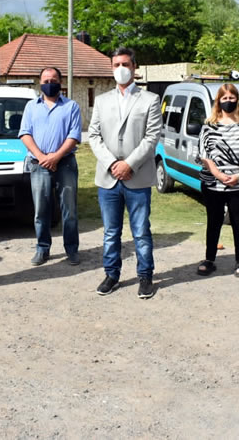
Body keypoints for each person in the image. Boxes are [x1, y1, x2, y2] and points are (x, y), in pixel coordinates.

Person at [88, 47, 162, 299]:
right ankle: (112, 274)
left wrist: (128, 164)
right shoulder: (102, 100)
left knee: (140, 231)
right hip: (108, 178)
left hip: (137, 176)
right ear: (111, 68)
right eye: (116, 64)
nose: (120, 68)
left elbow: (151, 138)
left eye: (125, 64)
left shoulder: (150, 100)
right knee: (111, 232)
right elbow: (94, 136)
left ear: (134, 67)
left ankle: (145, 276)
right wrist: (112, 164)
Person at [19, 67, 82, 266]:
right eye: (45, 80)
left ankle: (71, 249)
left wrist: (55, 157)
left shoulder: (71, 106)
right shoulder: (31, 107)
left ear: (60, 82)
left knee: (69, 210)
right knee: (41, 210)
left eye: (53, 79)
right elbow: (25, 134)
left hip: (65, 163)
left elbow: (74, 136)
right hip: (39, 164)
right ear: (40, 82)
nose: (49, 83)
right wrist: (42, 157)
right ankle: (42, 248)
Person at [196, 84, 239, 277]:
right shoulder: (209, 124)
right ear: (218, 101)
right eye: (225, 98)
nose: (228, 101)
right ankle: (209, 259)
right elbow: (203, 153)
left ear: (237, 99)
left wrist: (238, 176)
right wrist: (218, 174)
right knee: (213, 221)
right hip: (213, 182)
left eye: (232, 98)